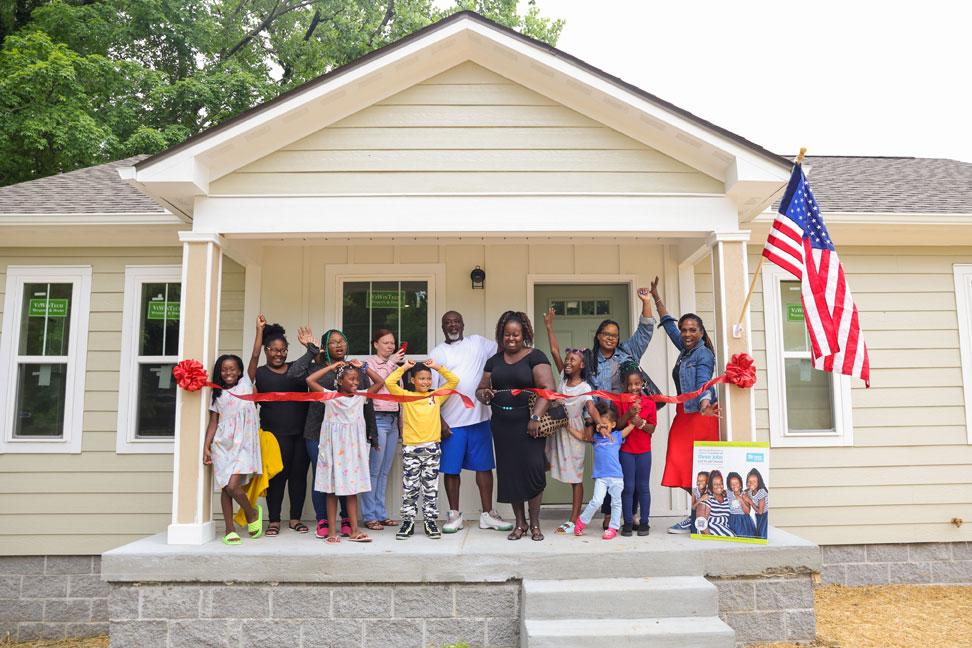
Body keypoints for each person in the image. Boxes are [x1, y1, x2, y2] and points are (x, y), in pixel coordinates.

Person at [648, 278, 720, 535]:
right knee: (681, 465)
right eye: (684, 330)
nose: (687, 334)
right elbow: (668, 326)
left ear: (701, 332)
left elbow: (704, 382)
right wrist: (656, 297)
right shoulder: (686, 349)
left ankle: (698, 515)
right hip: (685, 414)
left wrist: (704, 403)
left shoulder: (703, 354)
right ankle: (701, 512)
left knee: (692, 468)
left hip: (700, 415)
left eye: (692, 330)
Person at [476, 311, 556, 541]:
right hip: (502, 426)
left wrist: (536, 418)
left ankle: (535, 523)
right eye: (506, 334)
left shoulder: (535, 356)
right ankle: (519, 524)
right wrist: (485, 393)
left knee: (532, 472)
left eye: (515, 334)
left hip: (529, 425)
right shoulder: (494, 361)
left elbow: (547, 389)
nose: (511, 338)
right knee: (510, 475)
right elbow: (480, 390)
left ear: (524, 335)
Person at [579, 288, 655, 530]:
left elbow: (645, 331)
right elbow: (584, 392)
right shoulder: (589, 359)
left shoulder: (627, 352)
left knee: (628, 473)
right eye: (606, 334)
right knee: (607, 469)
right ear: (598, 335)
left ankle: (630, 513)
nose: (610, 338)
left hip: (628, 420)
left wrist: (646, 301)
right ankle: (609, 513)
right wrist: (591, 422)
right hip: (605, 423)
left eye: (614, 335)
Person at [430, 311, 512, 533]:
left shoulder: (478, 343)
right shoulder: (438, 352)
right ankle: (454, 515)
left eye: (456, 321)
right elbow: (432, 391)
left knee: (484, 468)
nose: (452, 325)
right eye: (447, 322)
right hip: (451, 423)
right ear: (442, 326)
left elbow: (502, 346)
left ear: (463, 323)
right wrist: (439, 420)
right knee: (451, 470)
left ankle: (488, 514)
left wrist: (506, 321)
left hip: (480, 419)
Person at [247, 316, 318, 537]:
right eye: (274, 350)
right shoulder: (259, 373)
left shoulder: (297, 369)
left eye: (283, 350)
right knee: (277, 478)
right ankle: (274, 520)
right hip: (274, 436)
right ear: (267, 350)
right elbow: (255, 355)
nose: (279, 354)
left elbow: (318, 364)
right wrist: (259, 332)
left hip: (301, 433)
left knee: (298, 478)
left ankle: (295, 519)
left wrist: (310, 347)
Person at [304, 329, 378, 538]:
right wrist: (331, 366)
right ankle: (332, 533)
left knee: (352, 490)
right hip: (332, 448)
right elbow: (310, 381)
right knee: (330, 489)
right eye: (352, 380)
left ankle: (354, 530)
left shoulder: (359, 397)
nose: (356, 383)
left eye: (357, 380)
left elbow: (380, 383)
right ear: (339, 382)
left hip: (352, 449)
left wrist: (363, 368)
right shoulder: (330, 397)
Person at [384, 359, 460, 540]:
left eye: (428, 378)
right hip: (411, 450)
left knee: (430, 489)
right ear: (412, 380)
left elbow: (454, 381)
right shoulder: (405, 396)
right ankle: (408, 522)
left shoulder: (436, 396)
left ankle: (430, 522)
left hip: (432, 449)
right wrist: (404, 367)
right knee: (410, 488)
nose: (426, 382)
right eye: (421, 378)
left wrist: (436, 367)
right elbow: (388, 383)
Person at [204, 354, 263, 545]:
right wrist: (207, 446)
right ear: (219, 373)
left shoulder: (246, 384)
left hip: (244, 443)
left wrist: (259, 331)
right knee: (225, 487)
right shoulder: (217, 394)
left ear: (239, 371)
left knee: (233, 486)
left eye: (232, 369)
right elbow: (214, 422)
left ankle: (251, 512)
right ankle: (230, 529)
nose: (228, 372)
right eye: (224, 369)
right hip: (222, 444)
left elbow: (254, 356)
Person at [361, 329, 406, 532]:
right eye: (386, 343)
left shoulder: (396, 366)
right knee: (373, 471)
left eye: (392, 343)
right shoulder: (368, 364)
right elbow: (377, 385)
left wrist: (402, 426)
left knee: (384, 471)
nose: (390, 346)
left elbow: (401, 397)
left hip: (393, 420)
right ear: (375, 344)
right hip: (377, 420)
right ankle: (369, 515)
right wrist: (391, 364)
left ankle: (380, 514)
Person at [573, 403, 635, 540]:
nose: (601, 426)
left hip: (617, 477)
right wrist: (567, 427)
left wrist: (636, 418)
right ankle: (581, 521)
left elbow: (631, 426)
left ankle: (613, 528)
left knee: (616, 503)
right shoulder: (595, 439)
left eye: (605, 424)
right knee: (596, 501)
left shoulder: (617, 436)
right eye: (599, 424)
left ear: (613, 425)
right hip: (601, 477)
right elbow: (581, 436)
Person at [616, 362, 657, 537]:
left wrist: (641, 423)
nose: (634, 387)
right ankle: (627, 523)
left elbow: (652, 428)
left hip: (644, 452)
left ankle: (644, 523)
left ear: (642, 384)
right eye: (630, 384)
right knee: (628, 487)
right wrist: (630, 415)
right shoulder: (620, 401)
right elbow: (617, 425)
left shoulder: (649, 403)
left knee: (643, 487)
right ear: (625, 385)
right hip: (626, 451)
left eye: (637, 384)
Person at [696, 470, 733, 536]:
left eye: (721, 483)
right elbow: (700, 522)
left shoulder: (726, 498)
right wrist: (710, 538)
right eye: (715, 484)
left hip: (725, 529)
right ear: (711, 486)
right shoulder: (707, 499)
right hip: (710, 532)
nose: (719, 486)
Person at [726, 472, 757, 537]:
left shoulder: (744, 495)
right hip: (731, 519)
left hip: (743, 520)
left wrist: (740, 499)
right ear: (729, 485)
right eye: (732, 484)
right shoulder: (728, 493)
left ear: (740, 484)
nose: (735, 485)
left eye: (737, 483)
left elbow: (747, 511)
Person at [746, 468, 769, 539]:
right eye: (749, 481)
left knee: (762, 534)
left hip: (765, 515)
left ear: (758, 482)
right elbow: (743, 493)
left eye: (754, 481)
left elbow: (760, 512)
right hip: (758, 515)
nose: (751, 484)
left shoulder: (761, 492)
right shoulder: (749, 491)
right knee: (759, 532)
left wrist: (751, 502)